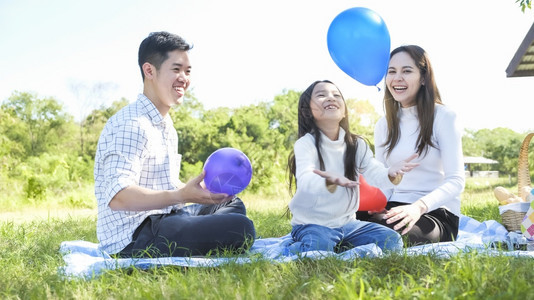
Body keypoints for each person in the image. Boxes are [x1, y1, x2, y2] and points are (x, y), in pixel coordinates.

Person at [94, 31, 255, 258]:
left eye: (187, 71)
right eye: (176, 69)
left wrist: (198, 193)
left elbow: (163, 184)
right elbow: (119, 197)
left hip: (166, 218)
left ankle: (202, 228)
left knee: (231, 204)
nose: (184, 78)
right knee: (241, 229)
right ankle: (206, 231)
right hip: (134, 237)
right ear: (149, 70)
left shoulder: (165, 125)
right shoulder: (131, 124)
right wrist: (182, 195)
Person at [286, 80, 419, 254]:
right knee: (318, 250)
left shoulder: (356, 144)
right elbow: (306, 179)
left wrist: (391, 173)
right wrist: (328, 180)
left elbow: (374, 172)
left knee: (392, 241)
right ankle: (298, 246)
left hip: (348, 225)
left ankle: (339, 245)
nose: (330, 98)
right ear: (308, 111)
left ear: (344, 112)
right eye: (321, 95)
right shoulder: (306, 144)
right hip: (312, 225)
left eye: (336, 95)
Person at [357, 45, 465, 246]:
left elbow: (456, 180)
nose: (397, 78)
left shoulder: (444, 117)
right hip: (393, 208)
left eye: (406, 71)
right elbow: (383, 180)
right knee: (343, 214)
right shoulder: (383, 125)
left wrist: (418, 207)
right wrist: (374, 203)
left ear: (423, 78)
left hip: (435, 213)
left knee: (383, 232)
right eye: (392, 71)